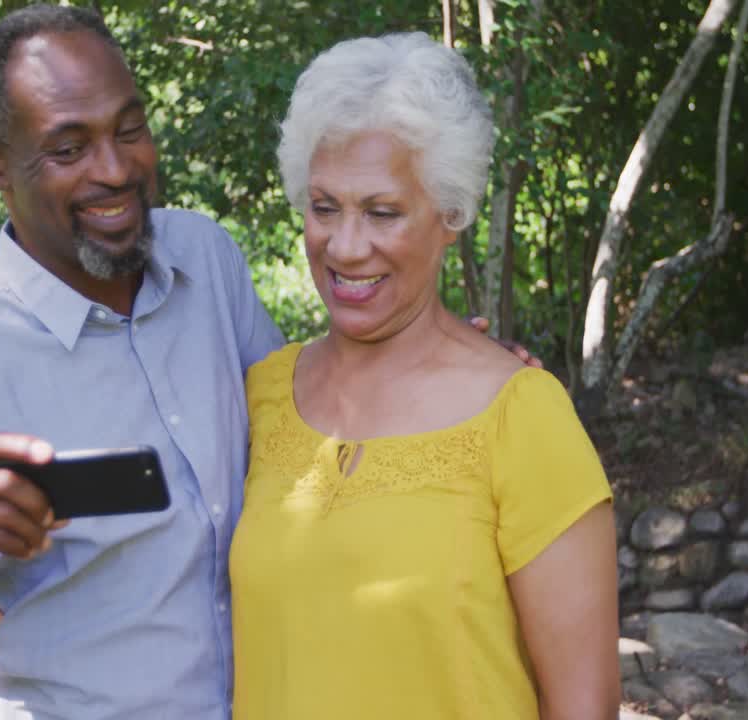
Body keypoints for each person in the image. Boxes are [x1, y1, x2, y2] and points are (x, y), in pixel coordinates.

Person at [0, 6, 534, 719]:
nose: (115, 167)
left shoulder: (205, 262)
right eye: (69, 149)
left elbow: (304, 434)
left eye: (130, 129)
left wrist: (440, 364)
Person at [228, 33, 620, 720]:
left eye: (382, 212)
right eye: (324, 207)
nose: (345, 247)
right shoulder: (259, 397)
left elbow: (584, 707)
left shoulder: (521, 417)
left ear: (450, 216)